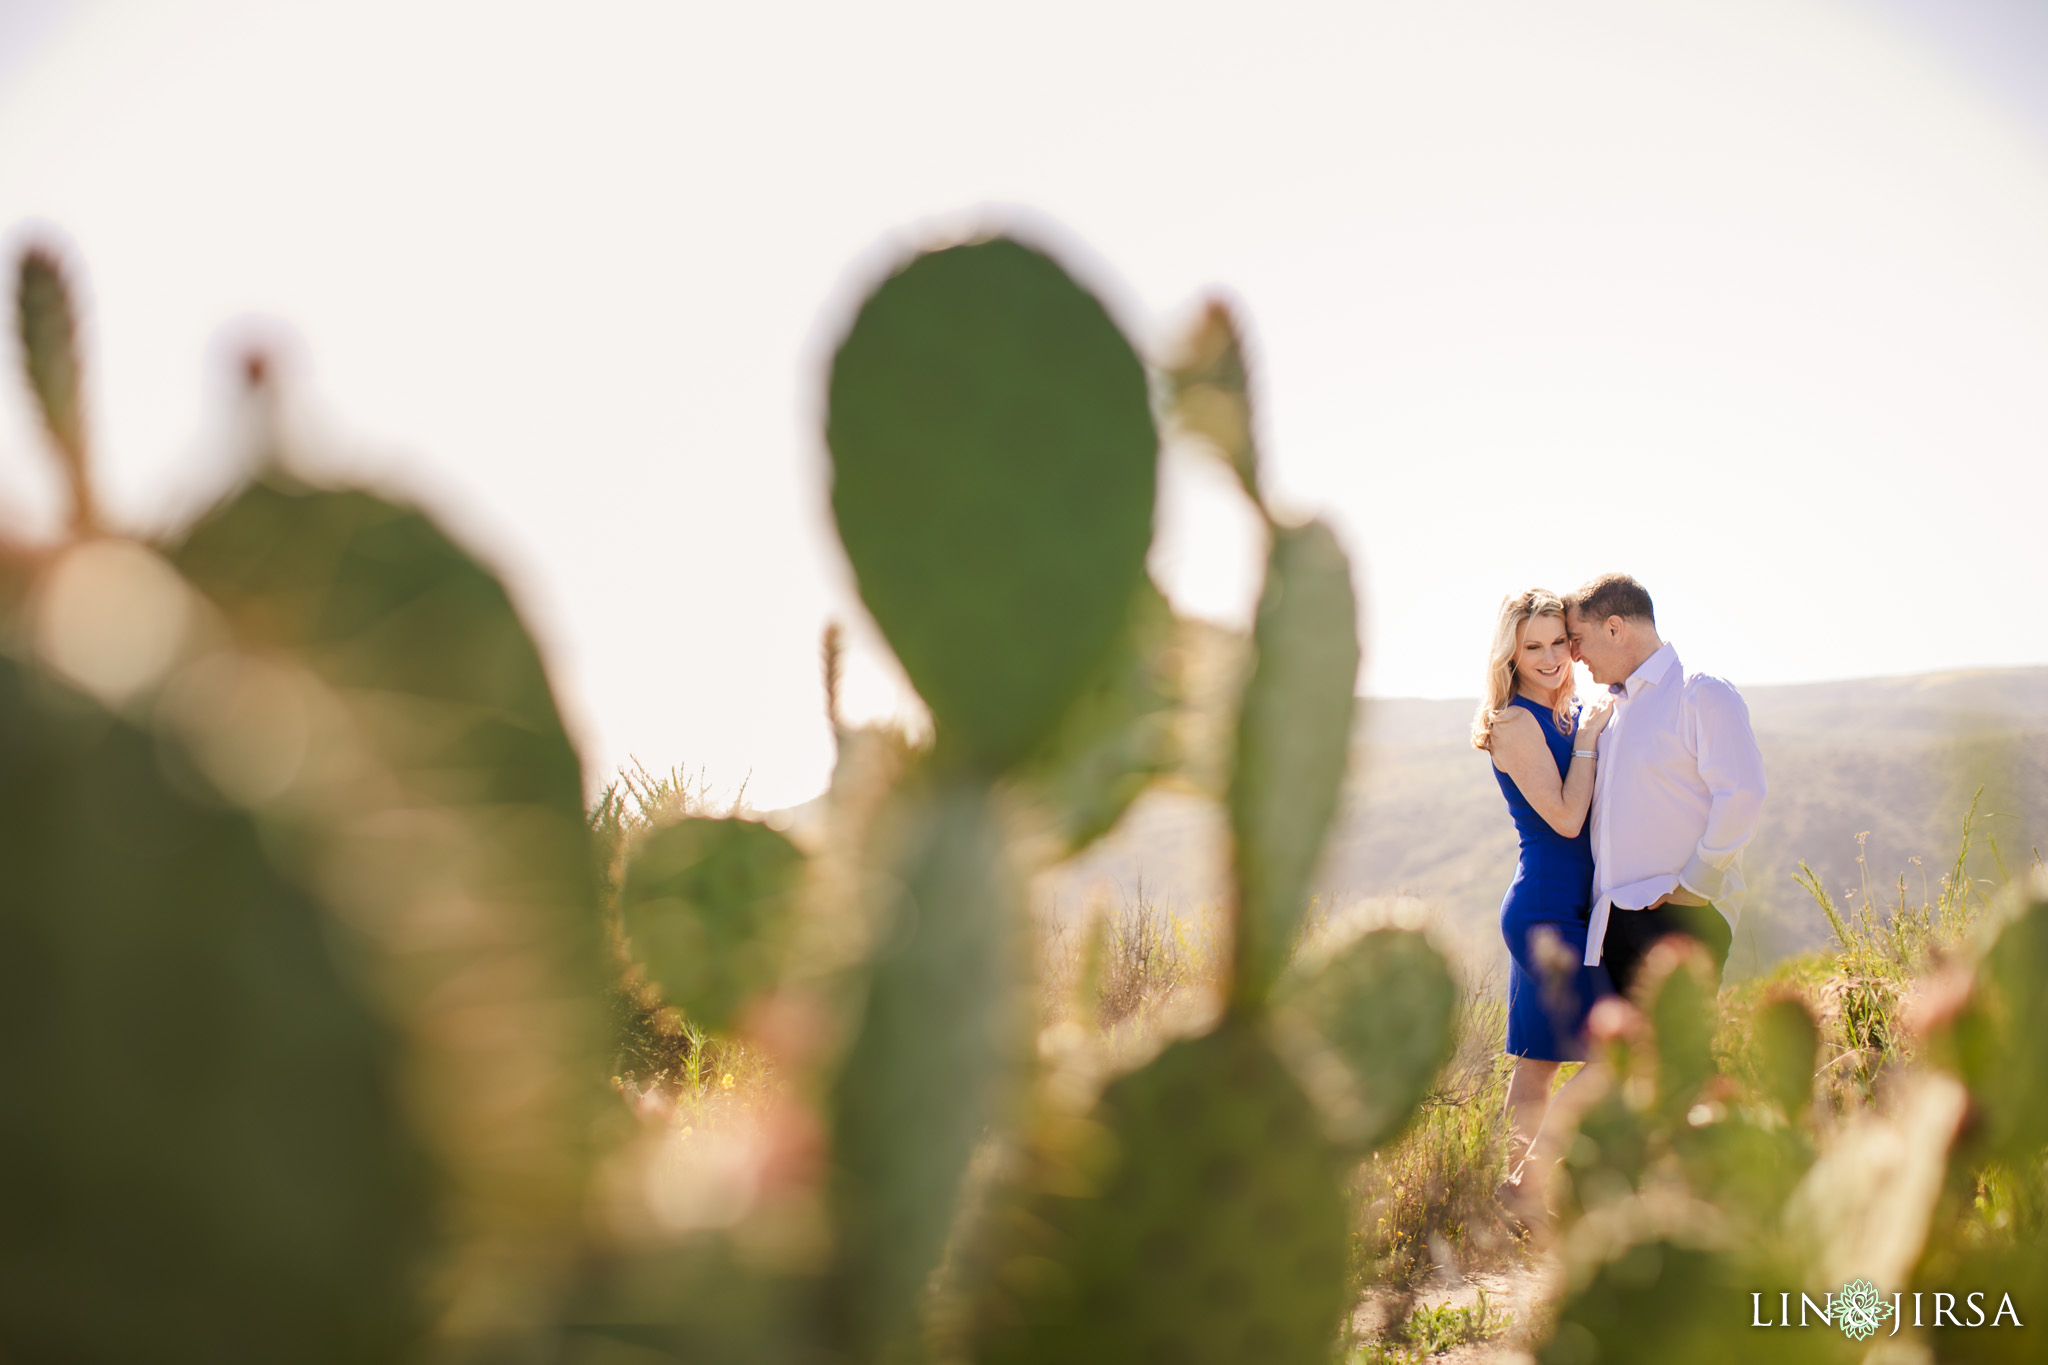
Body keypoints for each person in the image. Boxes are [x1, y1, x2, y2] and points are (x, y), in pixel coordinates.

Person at [1471, 589, 1616, 1195]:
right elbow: (1564, 818)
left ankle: (1507, 1208)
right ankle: (1527, 1184)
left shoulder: (1567, 709)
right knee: (1616, 1053)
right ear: (1511, 653)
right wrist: (1587, 740)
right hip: (1546, 911)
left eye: (1559, 641)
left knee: (1538, 1063)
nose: (1551, 656)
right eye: (1533, 646)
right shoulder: (1512, 722)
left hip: (1574, 907)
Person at [1564, 573, 1767, 995]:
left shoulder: (1700, 692)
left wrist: (1697, 885)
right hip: (1612, 921)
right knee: (1629, 1060)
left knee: (1673, 1057)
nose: (1574, 653)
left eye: (1578, 637)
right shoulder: (1611, 712)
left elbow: (1743, 793)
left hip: (1680, 914)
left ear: (1615, 628)